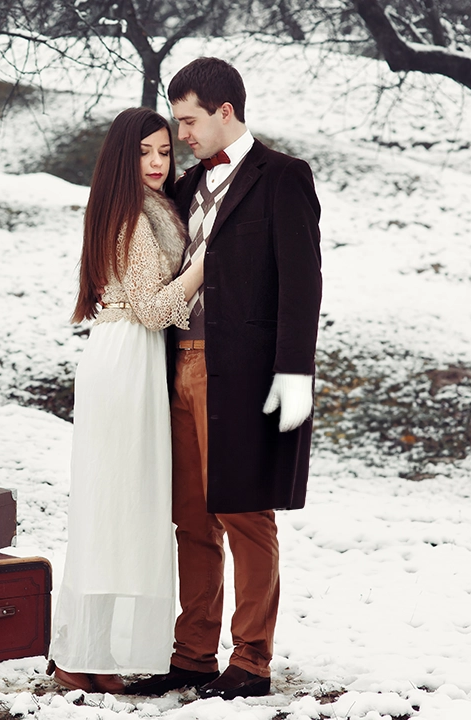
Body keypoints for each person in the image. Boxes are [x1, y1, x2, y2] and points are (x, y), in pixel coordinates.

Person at [124, 57, 323, 700]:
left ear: (225, 111)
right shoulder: (184, 187)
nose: (180, 135)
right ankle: (192, 655)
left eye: (188, 121)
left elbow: (302, 283)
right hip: (176, 366)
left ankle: (252, 660)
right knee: (191, 519)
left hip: (242, 374)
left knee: (244, 513)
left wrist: (294, 372)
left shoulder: (283, 176)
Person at [48, 107, 205, 693]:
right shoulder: (133, 215)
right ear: (122, 156)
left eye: (165, 151)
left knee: (120, 508)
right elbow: (153, 308)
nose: (158, 163)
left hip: (130, 356)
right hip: (126, 357)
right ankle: (83, 653)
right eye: (144, 153)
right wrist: (203, 265)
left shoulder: (147, 206)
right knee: (113, 508)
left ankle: (95, 651)